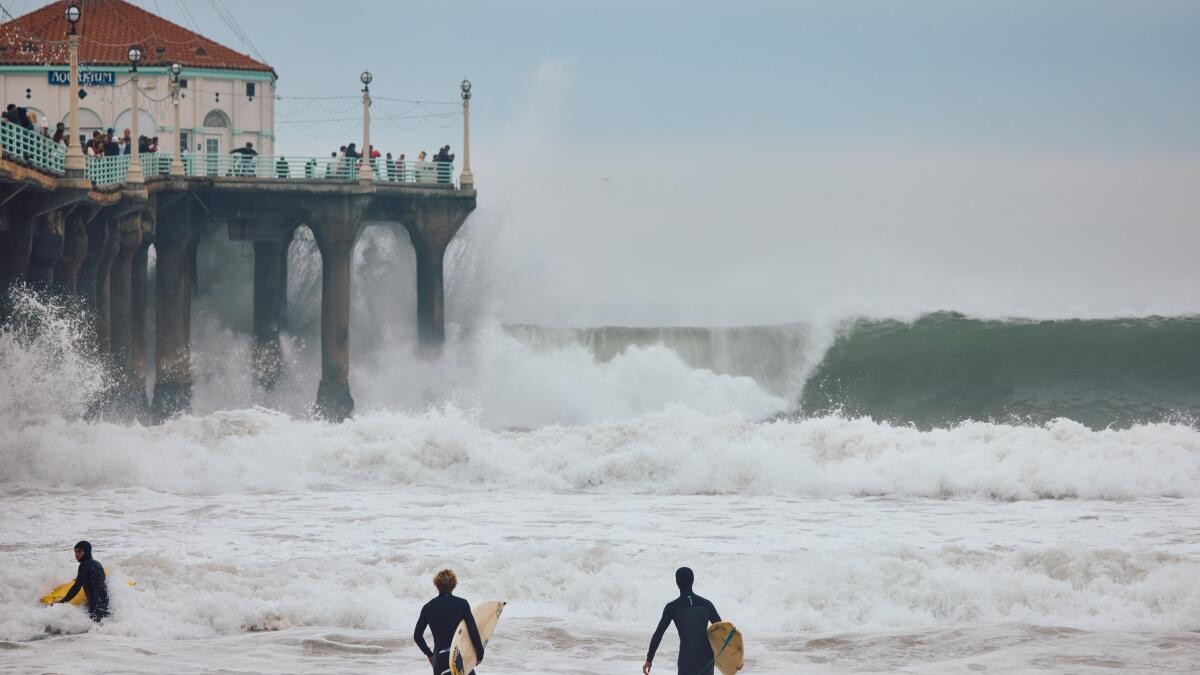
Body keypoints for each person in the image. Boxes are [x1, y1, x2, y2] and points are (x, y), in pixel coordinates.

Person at [643, 567, 722, 675]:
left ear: (677, 582)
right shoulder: (706, 604)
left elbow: (658, 634)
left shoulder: (672, 607)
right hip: (706, 659)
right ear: (693, 580)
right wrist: (734, 660)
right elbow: (723, 632)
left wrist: (649, 659)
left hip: (687, 659)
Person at [414, 569, 484, 675]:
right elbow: (472, 630)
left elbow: (417, 636)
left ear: (436, 585)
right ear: (453, 585)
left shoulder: (428, 607)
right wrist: (479, 653)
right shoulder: (462, 604)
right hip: (459, 656)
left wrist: (430, 655)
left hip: (439, 659)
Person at [56, 540, 109, 622]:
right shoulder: (97, 564)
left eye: (79, 551)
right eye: (75, 551)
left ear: (86, 551)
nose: (76, 554)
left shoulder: (84, 566)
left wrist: (62, 602)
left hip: (95, 609)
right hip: (106, 606)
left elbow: (76, 587)